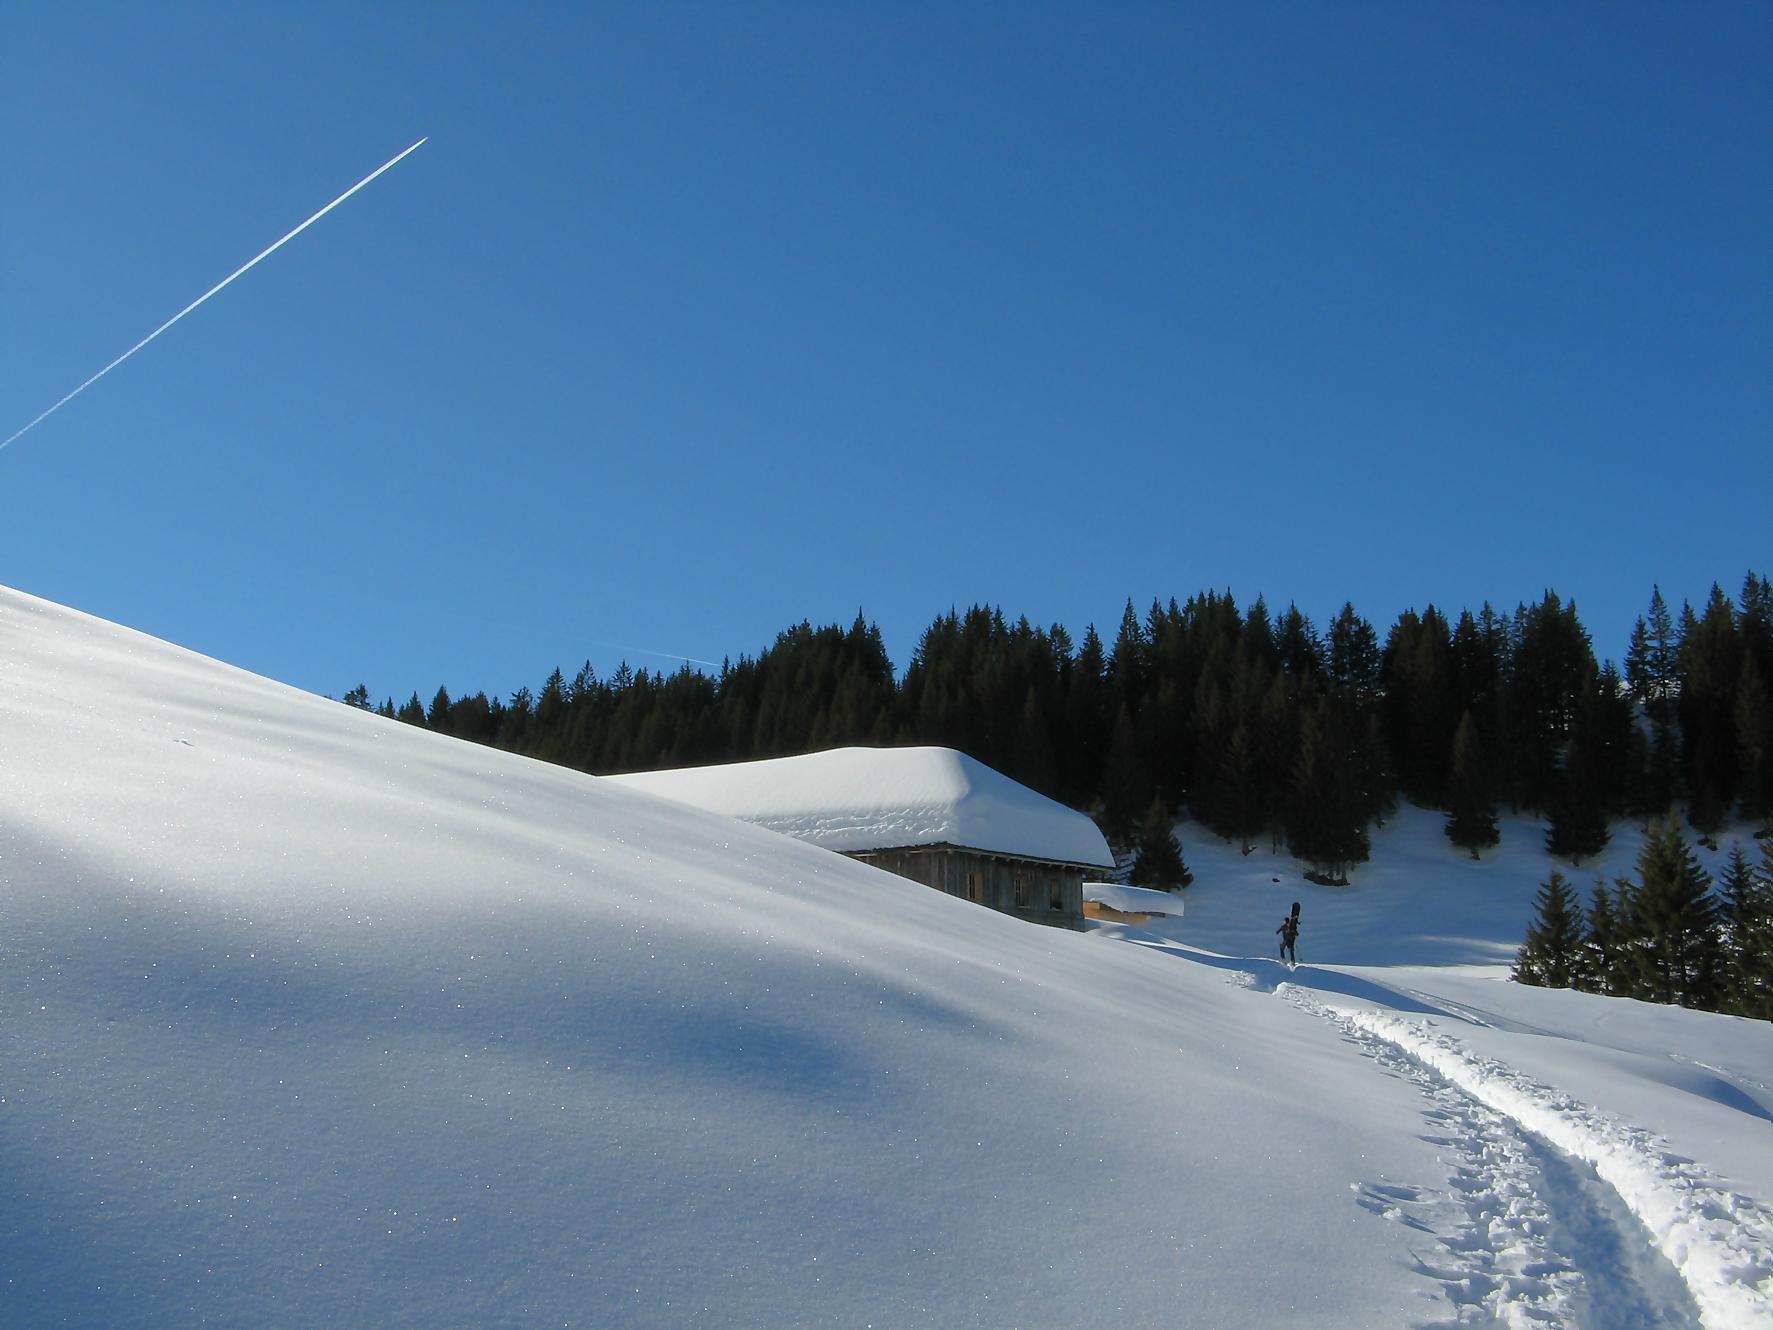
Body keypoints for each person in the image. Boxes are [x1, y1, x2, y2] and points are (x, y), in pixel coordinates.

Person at [1276, 902, 1301, 968]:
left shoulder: (1284, 926)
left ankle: (1283, 960)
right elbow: (1297, 934)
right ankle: (1292, 962)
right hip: (1292, 940)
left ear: (1285, 921)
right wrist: (1295, 934)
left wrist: (1278, 933)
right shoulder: (1292, 926)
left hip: (1286, 940)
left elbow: (1277, 931)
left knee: (1282, 948)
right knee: (1291, 950)